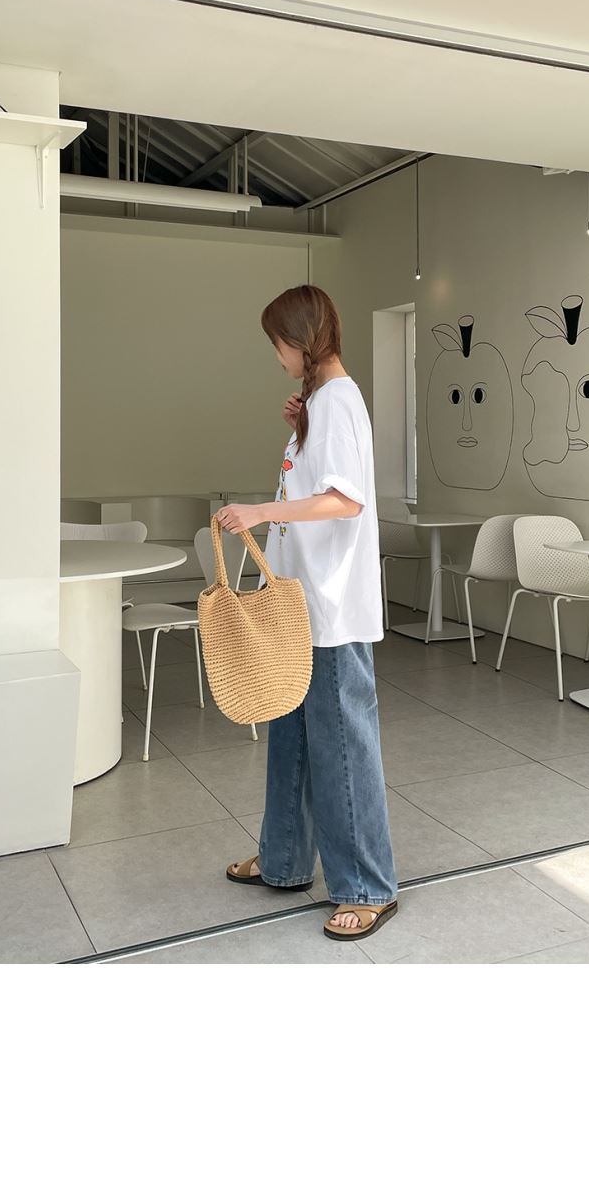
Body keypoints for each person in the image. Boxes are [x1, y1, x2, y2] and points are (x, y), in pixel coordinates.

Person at [217, 284, 398, 941]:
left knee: (341, 744)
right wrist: (301, 429)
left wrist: (260, 511)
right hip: (300, 603)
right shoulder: (320, 405)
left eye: (278, 343)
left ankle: (368, 886)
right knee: (290, 734)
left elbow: (345, 500)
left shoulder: (340, 400)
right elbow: (317, 480)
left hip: (331, 604)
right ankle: (286, 859)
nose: (276, 355)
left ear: (302, 339)